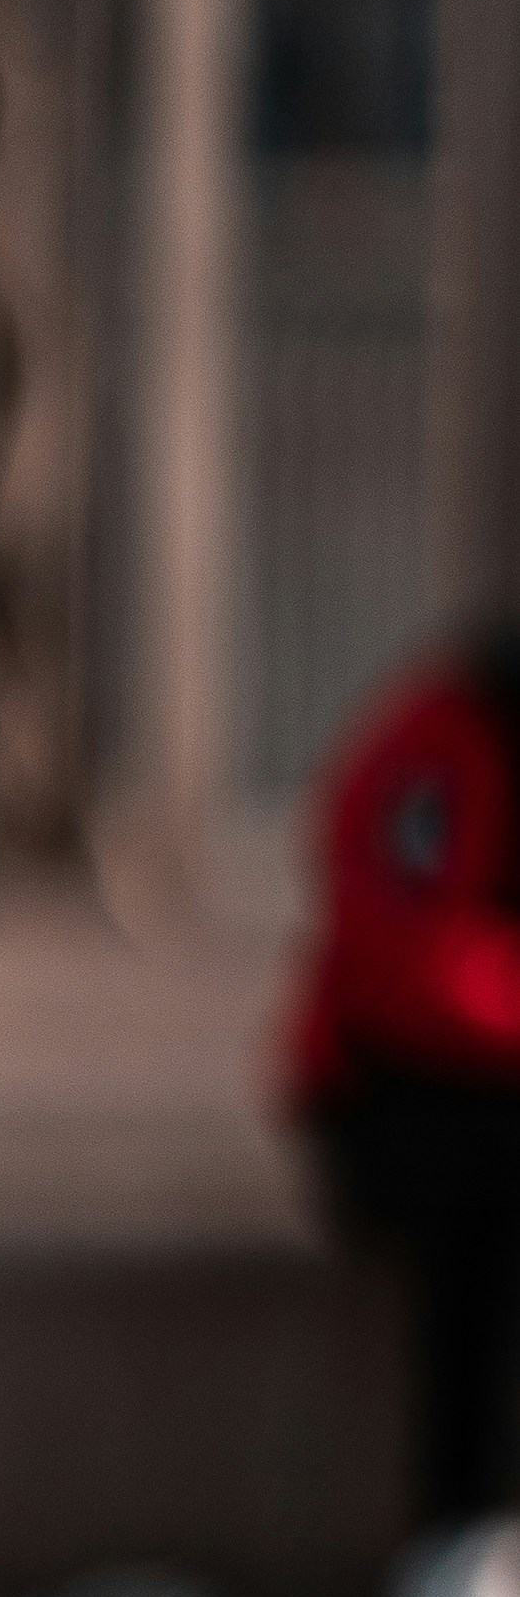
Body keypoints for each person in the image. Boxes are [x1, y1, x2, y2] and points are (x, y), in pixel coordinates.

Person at [289, 635, 520, 1533]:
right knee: (489, 1214)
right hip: (398, 1099)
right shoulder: (447, 737)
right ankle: (466, 1537)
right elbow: (401, 965)